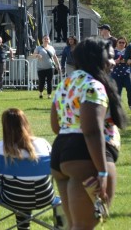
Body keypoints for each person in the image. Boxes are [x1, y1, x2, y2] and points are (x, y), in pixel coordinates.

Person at [50, 37, 128, 229]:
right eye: (109, 58)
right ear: (97, 58)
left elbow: (55, 125)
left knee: (73, 225)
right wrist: (101, 170)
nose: (113, 62)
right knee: (85, 226)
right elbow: (91, 130)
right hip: (86, 162)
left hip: (61, 156)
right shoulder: (94, 86)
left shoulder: (65, 84)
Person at [0, 108, 54, 230]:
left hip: (14, 198)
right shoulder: (43, 143)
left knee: (2, 180)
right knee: (24, 183)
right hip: (45, 196)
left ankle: (23, 226)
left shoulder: (3, 147)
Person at [33, 35, 61, 99]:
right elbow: (33, 55)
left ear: (49, 40)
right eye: (44, 39)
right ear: (42, 40)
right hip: (41, 68)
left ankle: (49, 95)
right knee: (41, 82)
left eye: (47, 39)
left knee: (49, 81)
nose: (46, 40)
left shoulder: (51, 48)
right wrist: (37, 55)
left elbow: (55, 57)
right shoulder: (38, 48)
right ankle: (41, 93)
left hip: (50, 67)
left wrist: (58, 65)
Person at [112, 37, 131, 110]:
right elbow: (108, 60)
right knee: (117, 91)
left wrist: (123, 61)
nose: (121, 44)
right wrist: (114, 61)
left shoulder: (128, 50)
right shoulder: (112, 51)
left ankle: (130, 104)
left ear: (125, 44)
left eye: (123, 42)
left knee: (130, 89)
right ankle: (117, 107)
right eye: (120, 42)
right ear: (117, 42)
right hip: (115, 74)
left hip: (126, 73)